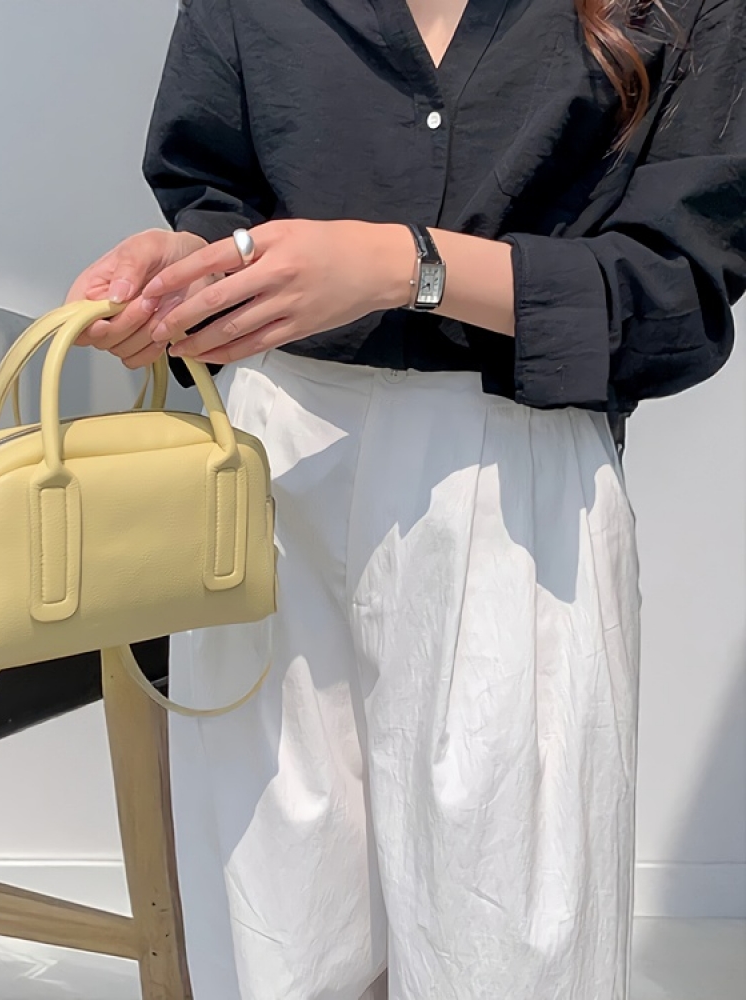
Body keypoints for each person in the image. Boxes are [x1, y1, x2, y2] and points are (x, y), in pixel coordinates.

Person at [66, 1, 745, 997]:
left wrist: (405, 265)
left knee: (504, 946)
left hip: (510, 476)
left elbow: (675, 297)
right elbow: (219, 201)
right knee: (277, 942)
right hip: (273, 468)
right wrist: (187, 277)